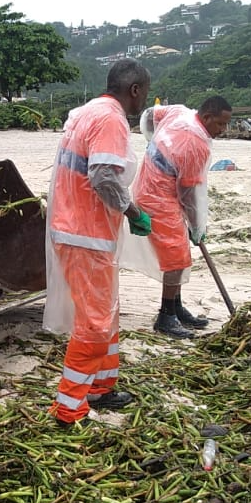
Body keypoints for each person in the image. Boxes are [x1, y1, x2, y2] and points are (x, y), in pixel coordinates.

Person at [43, 58, 152, 427]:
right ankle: (69, 407)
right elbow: (103, 176)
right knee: (93, 323)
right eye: (144, 94)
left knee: (107, 314)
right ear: (135, 90)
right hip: (84, 233)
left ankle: (101, 387)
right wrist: (132, 211)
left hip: (81, 230)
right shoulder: (111, 119)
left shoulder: (89, 111)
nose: (143, 104)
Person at [131, 96, 233, 339]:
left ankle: (176, 307)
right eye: (220, 124)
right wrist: (198, 226)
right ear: (207, 117)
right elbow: (191, 194)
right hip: (158, 196)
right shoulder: (196, 144)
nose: (223, 130)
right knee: (176, 259)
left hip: (151, 185)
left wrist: (152, 144)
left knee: (179, 254)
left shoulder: (179, 111)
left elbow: (148, 115)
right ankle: (166, 317)